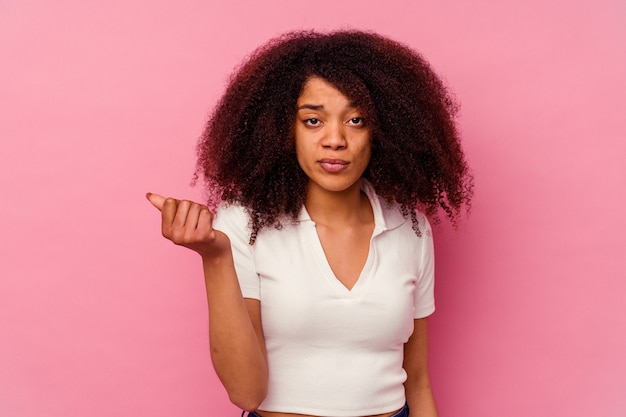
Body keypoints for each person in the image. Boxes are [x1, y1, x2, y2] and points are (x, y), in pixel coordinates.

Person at [147, 30, 472, 417]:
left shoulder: (411, 229)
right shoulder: (244, 224)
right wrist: (215, 257)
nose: (335, 139)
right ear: (285, 130)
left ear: (382, 131)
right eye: (313, 120)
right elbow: (246, 393)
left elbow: (417, 381)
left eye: (355, 120)